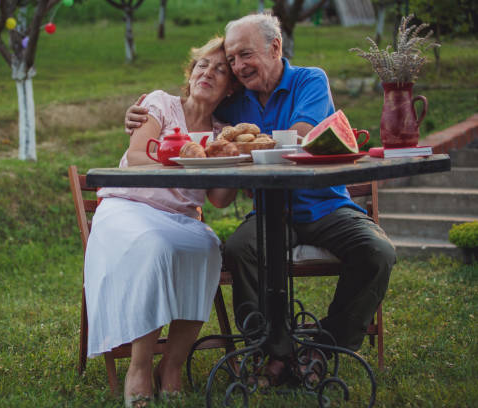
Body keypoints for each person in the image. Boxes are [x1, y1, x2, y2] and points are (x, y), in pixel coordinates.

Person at [124, 13, 396, 385]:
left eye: (244, 55)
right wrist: (140, 115)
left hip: (326, 205)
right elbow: (192, 109)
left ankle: (323, 348)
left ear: (275, 47)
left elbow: (299, 136)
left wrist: (250, 142)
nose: (237, 66)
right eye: (232, 59)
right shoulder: (234, 101)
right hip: (270, 211)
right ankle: (274, 352)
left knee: (378, 252)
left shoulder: (310, 80)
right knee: (239, 248)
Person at [84, 36, 237, 407]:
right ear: (191, 71)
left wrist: (235, 162)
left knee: (207, 249)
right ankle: (139, 367)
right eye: (203, 64)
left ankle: (171, 365)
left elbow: (217, 199)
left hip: (181, 219)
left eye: (220, 70)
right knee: (156, 246)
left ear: (231, 88)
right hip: (127, 209)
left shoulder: (221, 133)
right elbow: (137, 157)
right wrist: (189, 164)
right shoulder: (160, 104)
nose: (208, 72)